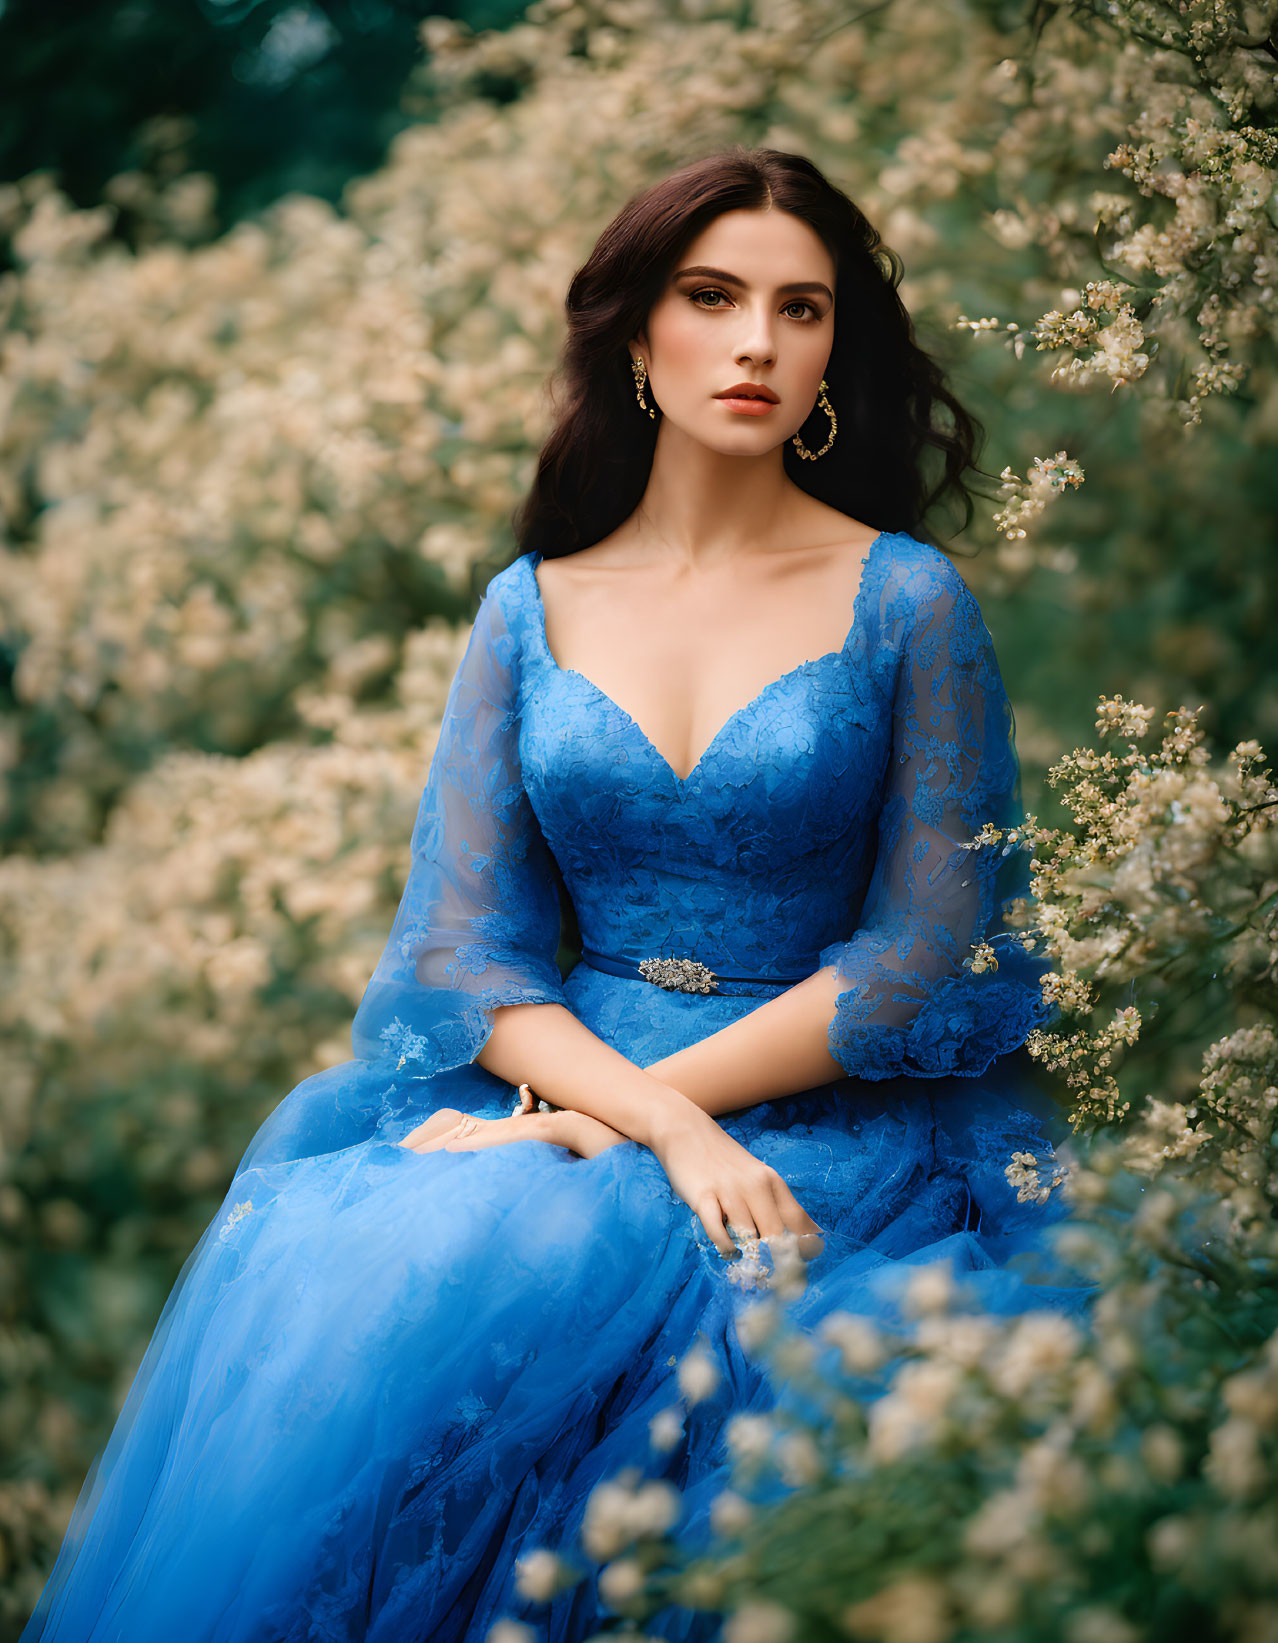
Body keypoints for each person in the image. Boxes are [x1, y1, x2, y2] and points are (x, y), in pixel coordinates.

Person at [22, 147, 1086, 1643]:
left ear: (836, 348)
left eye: (800, 309)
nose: (755, 345)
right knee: (403, 1332)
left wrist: (640, 1122)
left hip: (842, 1118)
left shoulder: (906, 599)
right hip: (580, 1092)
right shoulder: (529, 609)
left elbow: (925, 956)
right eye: (711, 298)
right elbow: (467, 953)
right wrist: (634, 1119)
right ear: (636, 333)